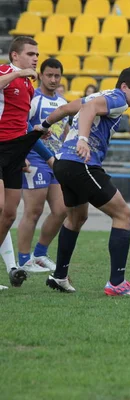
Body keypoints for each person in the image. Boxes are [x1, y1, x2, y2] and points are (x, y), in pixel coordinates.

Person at [33, 67, 130, 296]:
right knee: (123, 215)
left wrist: (43, 126)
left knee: (76, 218)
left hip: (63, 164)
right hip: (81, 164)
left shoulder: (100, 95)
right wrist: (83, 140)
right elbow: (88, 109)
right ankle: (117, 283)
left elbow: (66, 108)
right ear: (124, 87)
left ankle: (59, 276)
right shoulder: (117, 99)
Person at [15, 58, 69, 273]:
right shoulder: (33, 98)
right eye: (49, 75)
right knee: (33, 211)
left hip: (55, 160)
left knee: (61, 209)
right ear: (41, 75)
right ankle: (24, 260)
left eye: (57, 76)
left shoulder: (62, 102)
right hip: (35, 158)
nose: (53, 79)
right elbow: (21, 125)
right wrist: (21, 156)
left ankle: (39, 253)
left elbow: (63, 133)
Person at [0, 36, 45, 288]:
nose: (35, 58)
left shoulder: (28, 86)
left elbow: (19, 122)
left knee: (9, 215)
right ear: (15, 56)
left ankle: (9, 266)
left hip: (15, 153)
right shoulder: (6, 72)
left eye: (37, 54)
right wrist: (18, 74)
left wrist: (30, 140)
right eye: (30, 53)